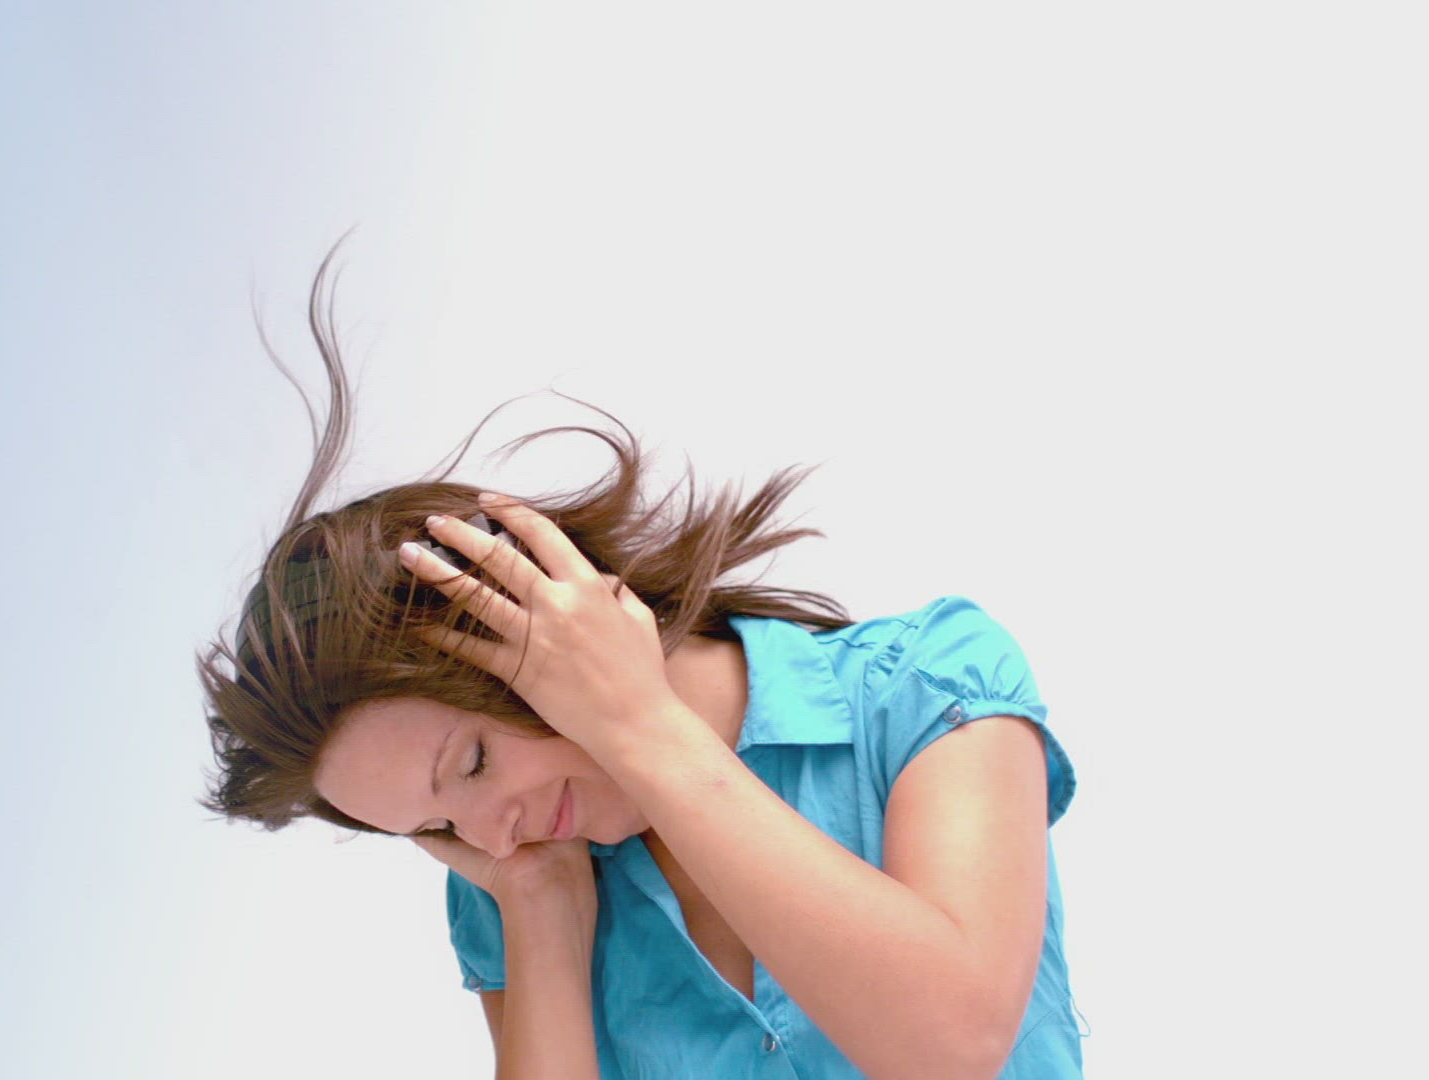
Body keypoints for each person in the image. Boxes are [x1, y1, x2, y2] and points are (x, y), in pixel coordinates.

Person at [198, 243, 1084, 1078]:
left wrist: (641, 725)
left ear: (542, 610)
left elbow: (950, 1049)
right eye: (438, 827)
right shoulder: (510, 875)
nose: (495, 836)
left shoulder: (924, 686)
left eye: (472, 764)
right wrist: (543, 913)